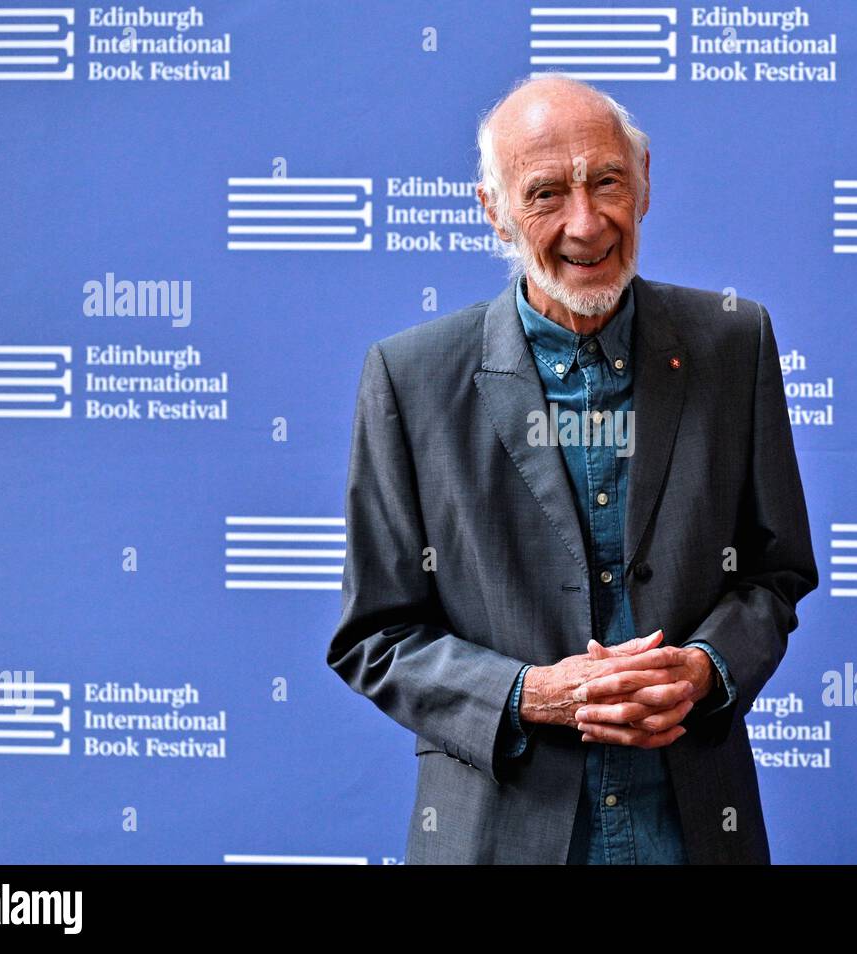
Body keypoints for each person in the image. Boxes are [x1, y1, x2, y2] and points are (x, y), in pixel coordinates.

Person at [326, 74, 818, 864]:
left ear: (646, 184)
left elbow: (776, 573)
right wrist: (531, 695)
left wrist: (703, 668)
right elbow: (377, 637)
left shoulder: (736, 343)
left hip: (693, 835)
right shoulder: (409, 378)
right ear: (495, 211)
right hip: (495, 839)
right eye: (546, 193)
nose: (585, 224)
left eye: (607, 181)